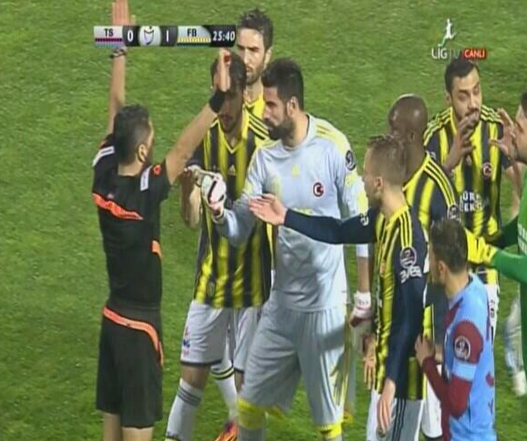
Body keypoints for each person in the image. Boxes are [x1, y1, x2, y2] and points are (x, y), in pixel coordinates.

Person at [203, 58, 370, 441]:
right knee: (248, 407)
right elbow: (240, 228)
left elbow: (362, 222)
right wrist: (219, 213)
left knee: (328, 428)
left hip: (324, 307)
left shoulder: (332, 146)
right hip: (280, 306)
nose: (263, 113)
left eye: (271, 105)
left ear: (292, 105)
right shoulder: (265, 159)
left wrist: (363, 296)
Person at [92, 1, 232, 440]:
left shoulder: (104, 176)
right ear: (141, 151)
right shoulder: (144, 195)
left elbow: (115, 116)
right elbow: (182, 151)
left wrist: (119, 51)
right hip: (139, 332)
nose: (155, 142)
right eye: (150, 137)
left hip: (113, 320)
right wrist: (217, 100)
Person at [250, 134, 428, 441]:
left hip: (401, 381)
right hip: (388, 371)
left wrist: (390, 384)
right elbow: (338, 231)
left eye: (366, 174)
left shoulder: (408, 241)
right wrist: (286, 216)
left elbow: (411, 319)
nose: (361, 179)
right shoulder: (383, 219)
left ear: (379, 183)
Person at [165, 52, 272, 441]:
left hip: (253, 290)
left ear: (244, 94)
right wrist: (187, 192)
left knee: (248, 396)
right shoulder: (203, 139)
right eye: (217, 94)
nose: (223, 107)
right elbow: (191, 220)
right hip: (210, 283)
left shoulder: (264, 144)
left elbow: (259, 222)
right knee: (190, 381)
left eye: (230, 96)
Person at [424, 57, 521, 342]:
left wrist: (517, 158)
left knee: (479, 350)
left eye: (477, 91)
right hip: (445, 265)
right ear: (448, 98)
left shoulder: (495, 128)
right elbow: (419, 199)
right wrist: (448, 164)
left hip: (485, 263)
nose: (473, 103)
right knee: (445, 353)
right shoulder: (434, 135)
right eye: (463, 96)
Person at [468, 89, 527, 441]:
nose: (511, 131)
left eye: (519, 127)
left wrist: (486, 254)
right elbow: (524, 228)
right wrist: (492, 242)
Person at [387, 95, 459, 441]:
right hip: (395, 320)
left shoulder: (438, 190)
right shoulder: (391, 174)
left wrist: (443, 337)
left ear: (412, 136)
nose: (389, 136)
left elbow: (454, 266)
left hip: (427, 332)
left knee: (434, 427)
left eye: (394, 130)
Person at [415, 219, 496, 441]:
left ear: (441, 267)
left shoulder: (465, 326)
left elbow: (456, 404)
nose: (428, 263)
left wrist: (427, 363)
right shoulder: (475, 287)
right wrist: (441, 352)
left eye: (430, 256)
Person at [236, 8, 274, 118]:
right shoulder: (222, 105)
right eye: (241, 49)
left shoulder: (275, 112)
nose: (245, 59)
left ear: (267, 55)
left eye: (253, 50)